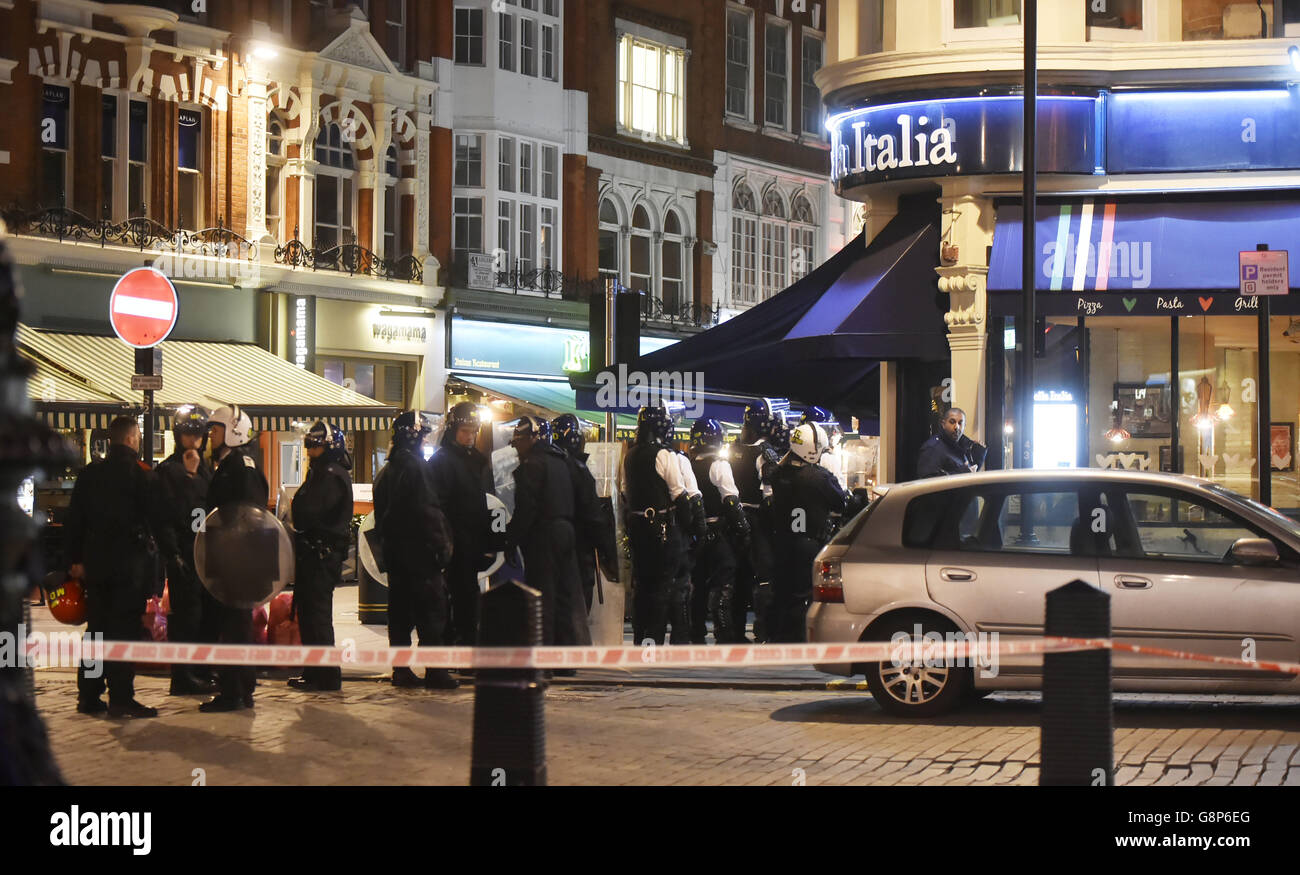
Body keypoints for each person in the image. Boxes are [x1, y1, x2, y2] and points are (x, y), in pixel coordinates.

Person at [65, 415, 171, 718]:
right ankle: (121, 696)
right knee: (123, 631)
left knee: (96, 630)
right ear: (132, 439)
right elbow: (159, 521)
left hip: (96, 567)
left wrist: (74, 560)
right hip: (129, 570)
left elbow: (74, 521)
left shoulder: (90, 474)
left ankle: (88, 694)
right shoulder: (142, 475)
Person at [373, 411, 458, 690]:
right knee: (432, 613)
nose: (425, 441)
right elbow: (428, 512)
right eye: (423, 436)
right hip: (421, 556)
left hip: (397, 557)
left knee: (399, 614)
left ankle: (402, 670)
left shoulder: (386, 472)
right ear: (415, 437)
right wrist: (442, 548)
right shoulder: (417, 469)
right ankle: (435, 671)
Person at [200, 404, 270, 712]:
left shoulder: (241, 468)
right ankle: (239, 686)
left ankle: (235, 691)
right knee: (234, 626)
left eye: (215, 430)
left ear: (233, 431)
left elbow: (246, 516)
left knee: (236, 627)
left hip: (237, 562)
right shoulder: (234, 465)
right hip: (232, 560)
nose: (211, 436)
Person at [506, 416, 588, 648]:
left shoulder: (532, 465)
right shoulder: (562, 462)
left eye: (519, 442)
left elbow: (526, 509)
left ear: (532, 439)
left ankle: (546, 655)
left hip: (544, 537)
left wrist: (511, 540)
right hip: (566, 534)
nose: (517, 448)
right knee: (563, 596)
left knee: (544, 596)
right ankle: (565, 656)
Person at [154, 404, 217, 696]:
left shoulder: (205, 470)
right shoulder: (170, 471)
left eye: (199, 435)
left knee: (205, 616)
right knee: (186, 617)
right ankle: (183, 675)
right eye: (189, 435)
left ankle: (201, 670)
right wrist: (174, 554)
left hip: (205, 554)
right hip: (184, 553)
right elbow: (170, 515)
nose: (195, 441)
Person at [287, 422, 353, 692]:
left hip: (321, 555)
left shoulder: (329, 474)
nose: (310, 451)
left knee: (317, 616)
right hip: (315, 554)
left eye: (315, 446)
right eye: (310, 446)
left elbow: (308, 511)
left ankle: (325, 675)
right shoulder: (322, 472)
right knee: (311, 615)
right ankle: (315, 672)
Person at [769, 423, 847, 643]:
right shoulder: (818, 477)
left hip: (783, 541)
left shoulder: (778, 474)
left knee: (783, 592)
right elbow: (840, 501)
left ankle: (779, 637)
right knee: (806, 595)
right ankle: (800, 639)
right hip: (810, 542)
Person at [621, 403, 691, 645]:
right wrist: (691, 527)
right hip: (662, 529)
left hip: (637, 527)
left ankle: (641, 640)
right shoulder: (664, 454)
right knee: (661, 589)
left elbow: (624, 492)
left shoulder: (629, 455)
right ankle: (654, 641)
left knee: (642, 586)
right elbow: (679, 493)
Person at [428, 402, 496, 648]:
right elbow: (437, 506)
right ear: (452, 430)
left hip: (470, 543)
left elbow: (482, 503)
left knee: (467, 597)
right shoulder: (441, 462)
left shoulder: (475, 461)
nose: (469, 436)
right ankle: (453, 645)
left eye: (473, 431)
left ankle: (466, 643)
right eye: (465, 431)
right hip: (452, 543)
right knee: (453, 598)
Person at [688, 418, 750, 644]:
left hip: (695, 533)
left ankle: (695, 632)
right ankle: (724, 632)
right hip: (717, 531)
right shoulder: (719, 464)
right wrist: (744, 528)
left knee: (698, 583)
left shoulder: (687, 463)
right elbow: (730, 499)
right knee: (723, 582)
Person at [551, 414, 619, 613]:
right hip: (579, 553)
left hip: (550, 554)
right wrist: (608, 552)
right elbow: (593, 517)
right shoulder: (579, 471)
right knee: (576, 615)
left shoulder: (546, 468)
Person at [729, 401, 781, 643]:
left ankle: (733, 632)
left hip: (735, 519)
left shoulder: (733, 449)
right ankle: (763, 631)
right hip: (758, 521)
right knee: (764, 578)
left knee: (738, 579)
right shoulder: (765, 453)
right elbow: (770, 494)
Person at [917, 407, 986, 478]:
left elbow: (969, 472)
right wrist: (961, 473)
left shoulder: (961, 445)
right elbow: (927, 481)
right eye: (952, 422)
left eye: (960, 423)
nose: (957, 427)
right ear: (943, 424)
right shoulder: (932, 448)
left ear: (964, 426)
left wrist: (979, 456)